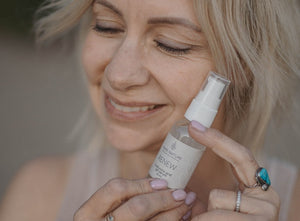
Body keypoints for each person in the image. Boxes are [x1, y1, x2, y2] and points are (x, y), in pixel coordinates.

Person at [0, 0, 299, 220]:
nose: (118, 74)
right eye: (107, 25)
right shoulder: (38, 195)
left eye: (171, 45)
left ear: (244, 65)